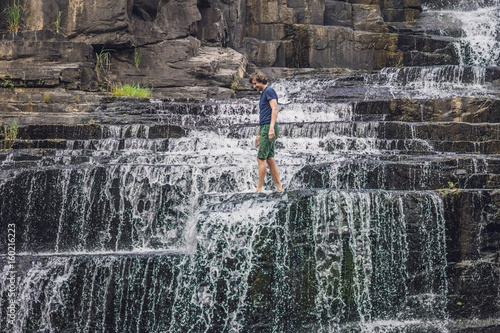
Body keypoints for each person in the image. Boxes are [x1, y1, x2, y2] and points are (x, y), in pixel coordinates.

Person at [249, 73, 284, 192]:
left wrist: (271, 128)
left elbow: (274, 108)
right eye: (253, 84)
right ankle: (279, 188)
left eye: (255, 83)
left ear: (261, 81)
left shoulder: (269, 91)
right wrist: (259, 134)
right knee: (270, 159)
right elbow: (264, 116)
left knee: (261, 159)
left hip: (269, 127)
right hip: (265, 127)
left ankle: (259, 189)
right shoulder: (264, 93)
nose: (254, 86)